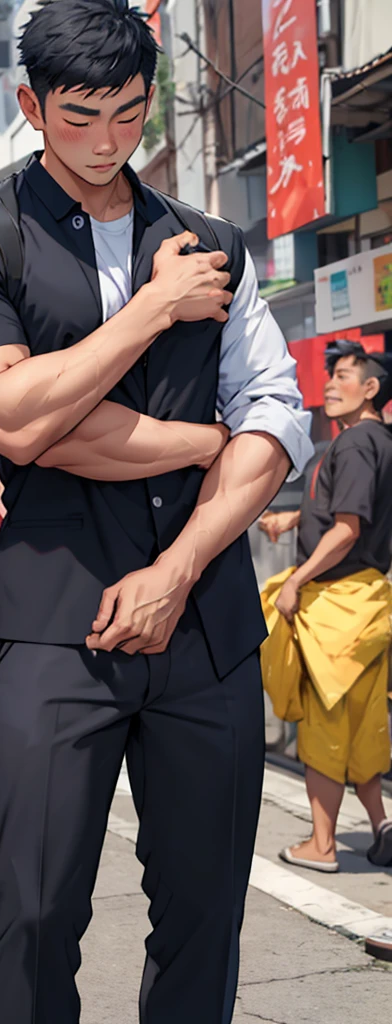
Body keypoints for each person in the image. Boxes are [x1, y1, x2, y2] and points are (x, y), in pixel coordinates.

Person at [0, 2, 313, 1020]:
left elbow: (274, 422)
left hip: (205, 621)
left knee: (202, 914)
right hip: (52, 622)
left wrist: (175, 567)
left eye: (128, 116)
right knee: (36, 908)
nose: (105, 142)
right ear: (30, 105)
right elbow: (11, 417)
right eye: (79, 116)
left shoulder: (213, 242)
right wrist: (155, 323)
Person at [259, 340, 392, 873]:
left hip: (336, 605)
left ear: (371, 389)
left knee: (324, 726)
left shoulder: (355, 443)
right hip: (369, 600)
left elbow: (347, 528)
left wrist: (297, 580)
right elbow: (354, 515)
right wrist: (294, 519)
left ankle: (323, 844)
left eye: (342, 376)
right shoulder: (381, 441)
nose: (330, 386)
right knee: (361, 723)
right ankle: (382, 826)